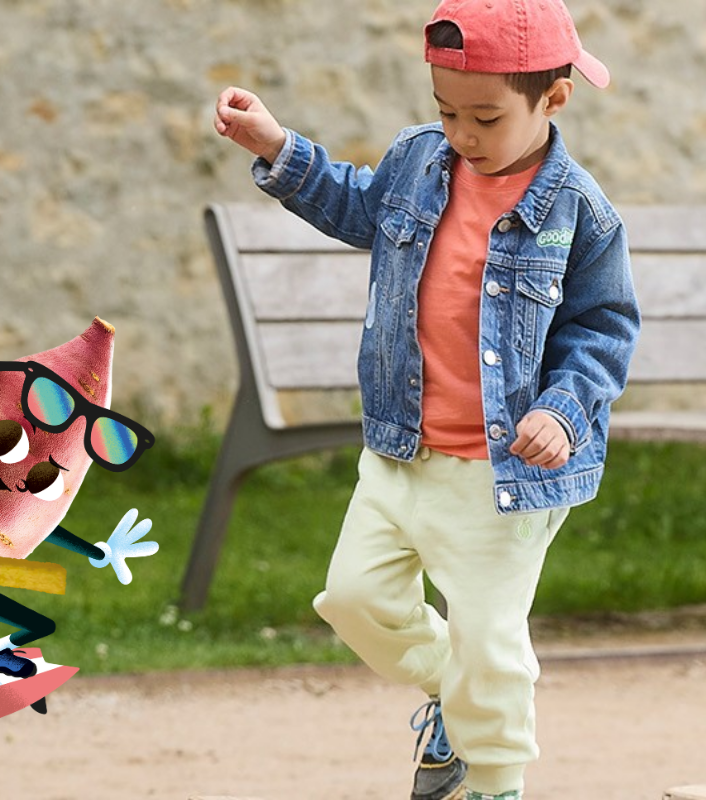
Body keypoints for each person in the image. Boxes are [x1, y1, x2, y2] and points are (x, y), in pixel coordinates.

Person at [211, 1, 637, 796]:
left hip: (502, 475)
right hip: (402, 451)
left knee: (492, 642)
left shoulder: (580, 211)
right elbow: (353, 204)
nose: (462, 133)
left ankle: (495, 781)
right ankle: (452, 694)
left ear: (554, 100)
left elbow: (604, 331)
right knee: (353, 599)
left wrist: (563, 411)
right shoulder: (419, 161)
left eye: (484, 116)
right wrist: (278, 147)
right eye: (446, 111)